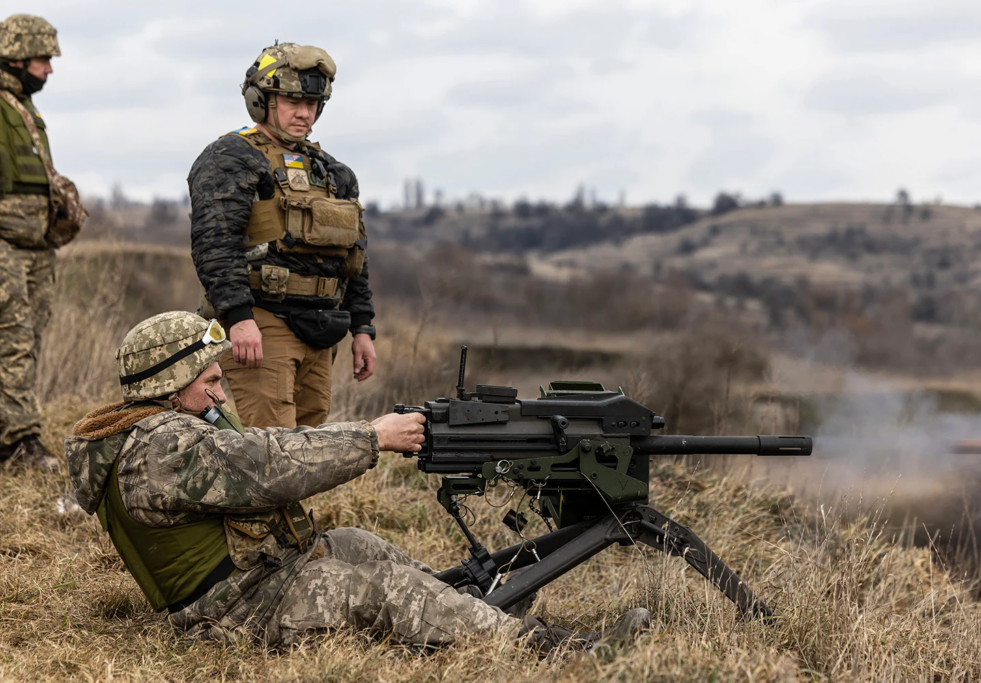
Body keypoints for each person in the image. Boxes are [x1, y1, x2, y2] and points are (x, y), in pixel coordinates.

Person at [64, 311, 649, 651]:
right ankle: (557, 652)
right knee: (383, 591)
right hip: (232, 611)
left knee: (360, 546)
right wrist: (374, 437)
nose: (221, 395)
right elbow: (269, 465)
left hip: (260, 575)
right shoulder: (159, 450)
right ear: (168, 386)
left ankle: (473, 615)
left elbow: (257, 456)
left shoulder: (158, 432)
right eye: (209, 382)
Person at [188, 42, 376, 431]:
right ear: (261, 101)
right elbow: (215, 245)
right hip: (262, 321)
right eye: (293, 101)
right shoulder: (231, 158)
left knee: (311, 443)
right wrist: (239, 318)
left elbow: (354, 258)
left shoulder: (333, 173)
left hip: (322, 328)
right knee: (273, 445)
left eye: (313, 103)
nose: (304, 112)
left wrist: (362, 328)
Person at [0, 14, 85, 471]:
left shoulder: (23, 109)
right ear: (17, 56)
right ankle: (18, 444)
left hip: (34, 248)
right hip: (5, 246)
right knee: (11, 340)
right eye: (43, 59)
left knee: (28, 341)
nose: (49, 69)